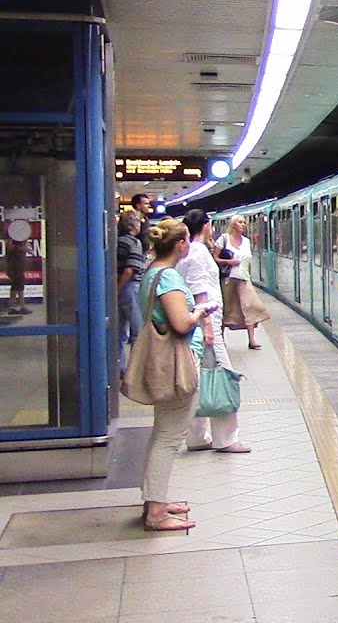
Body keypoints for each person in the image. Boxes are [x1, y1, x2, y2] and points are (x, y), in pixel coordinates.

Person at [138, 218, 217, 531]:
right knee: (170, 437)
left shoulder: (152, 272)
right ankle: (156, 512)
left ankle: (153, 500)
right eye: (186, 241)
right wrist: (199, 312)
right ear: (180, 243)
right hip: (177, 364)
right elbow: (182, 323)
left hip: (167, 363)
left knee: (162, 432)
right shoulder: (168, 277)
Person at [178, 210, 250, 454]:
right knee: (222, 376)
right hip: (206, 322)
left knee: (201, 379)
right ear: (206, 226)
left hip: (197, 323)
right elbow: (201, 291)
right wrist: (209, 329)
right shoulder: (198, 252)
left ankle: (197, 437)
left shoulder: (188, 251)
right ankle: (227, 438)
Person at [216, 214, 270, 348]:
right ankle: (221, 338)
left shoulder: (246, 241)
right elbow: (215, 258)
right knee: (226, 308)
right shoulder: (223, 239)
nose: (243, 225)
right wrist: (229, 261)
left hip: (244, 278)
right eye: (240, 222)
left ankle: (252, 340)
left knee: (249, 307)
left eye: (244, 222)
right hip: (228, 279)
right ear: (233, 224)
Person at [116, 211, 145, 368]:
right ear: (133, 225)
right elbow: (129, 270)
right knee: (137, 329)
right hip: (130, 287)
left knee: (119, 330)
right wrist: (119, 289)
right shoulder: (134, 243)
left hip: (120, 286)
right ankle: (136, 368)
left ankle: (119, 366)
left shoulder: (119, 241)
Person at [4, 224, 30, 315]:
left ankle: (18, 306)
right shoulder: (11, 236)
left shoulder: (21, 236)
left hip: (19, 265)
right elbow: (9, 247)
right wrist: (22, 249)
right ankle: (16, 306)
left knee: (18, 286)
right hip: (14, 266)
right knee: (17, 285)